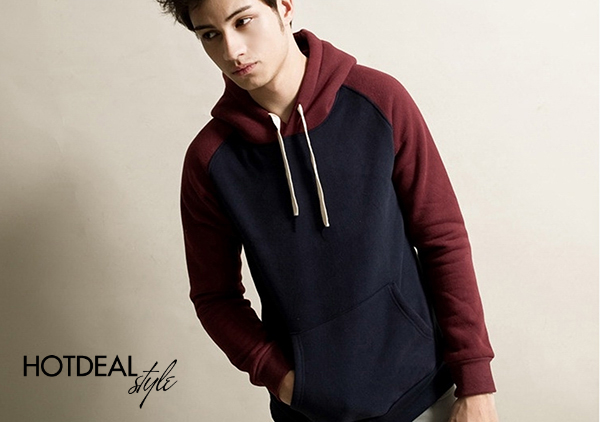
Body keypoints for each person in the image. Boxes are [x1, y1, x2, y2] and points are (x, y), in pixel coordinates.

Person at [157, 0, 499, 420]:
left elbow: (441, 237)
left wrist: (476, 381)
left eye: (243, 21)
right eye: (210, 35)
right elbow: (215, 297)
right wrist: (287, 382)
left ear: (284, 7)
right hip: (311, 413)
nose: (231, 50)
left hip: (426, 392)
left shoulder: (378, 100)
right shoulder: (211, 160)